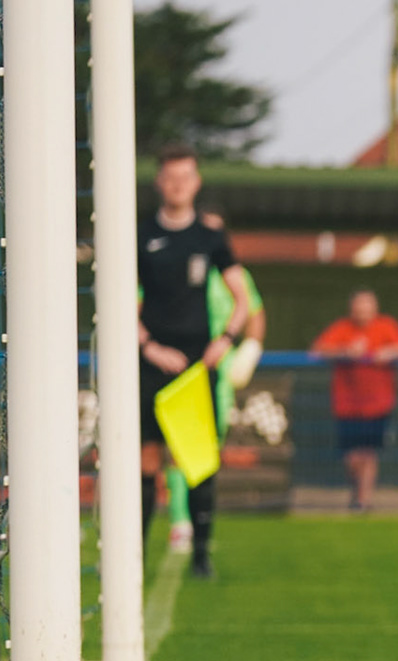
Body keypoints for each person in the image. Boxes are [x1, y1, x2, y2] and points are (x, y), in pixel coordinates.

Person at [137, 142, 249, 579]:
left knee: (198, 462)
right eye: (171, 177)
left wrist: (226, 340)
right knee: (146, 461)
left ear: (196, 182)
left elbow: (241, 299)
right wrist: (149, 346)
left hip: (197, 367)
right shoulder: (140, 234)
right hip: (151, 364)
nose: (178, 184)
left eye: (186, 177)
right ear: (160, 182)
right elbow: (120, 300)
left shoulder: (210, 237)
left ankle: (202, 557)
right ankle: (134, 558)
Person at [309, 289, 398, 513]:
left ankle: (363, 501)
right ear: (352, 308)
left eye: (367, 307)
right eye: (359, 307)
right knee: (352, 457)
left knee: (369, 453)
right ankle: (357, 493)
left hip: (377, 404)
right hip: (347, 405)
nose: (363, 311)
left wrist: (389, 352)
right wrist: (345, 351)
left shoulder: (386, 326)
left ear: (375, 308)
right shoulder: (342, 327)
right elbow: (317, 351)